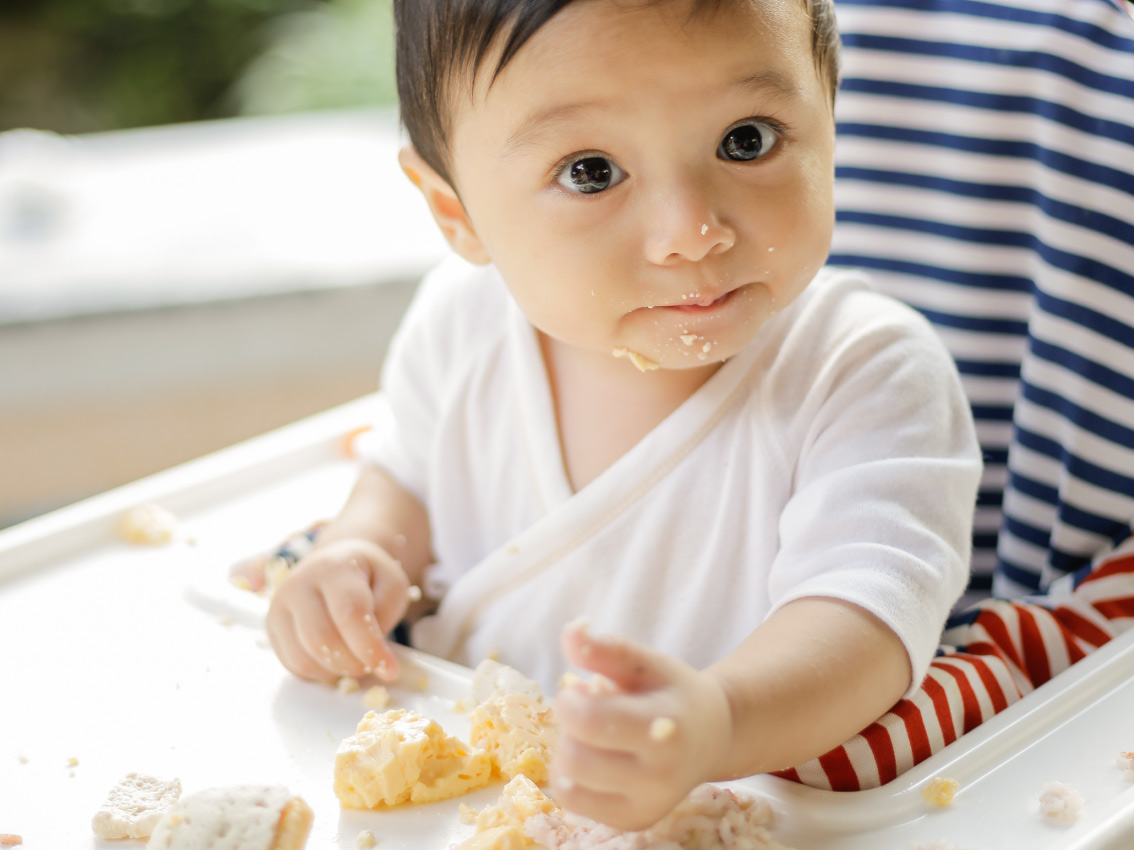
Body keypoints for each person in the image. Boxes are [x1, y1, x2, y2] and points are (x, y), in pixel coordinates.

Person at [263, 0, 985, 831]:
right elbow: (406, 478)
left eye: (746, 139)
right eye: (591, 172)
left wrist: (717, 721)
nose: (691, 232)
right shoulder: (461, 323)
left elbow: (864, 626)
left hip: (718, 805)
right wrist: (358, 552)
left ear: (829, 119)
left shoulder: (867, 369)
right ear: (454, 212)